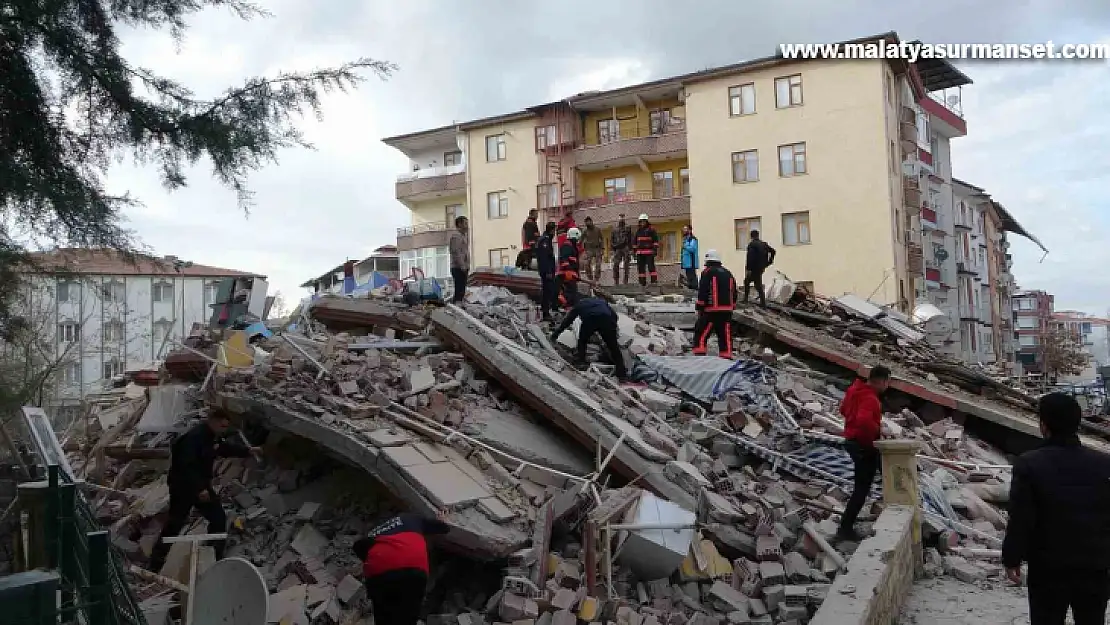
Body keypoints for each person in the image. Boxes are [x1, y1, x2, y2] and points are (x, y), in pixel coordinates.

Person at [1002, 392, 1110, 625]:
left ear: (1044, 424)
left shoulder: (1029, 464)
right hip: (1095, 568)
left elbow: (1021, 519)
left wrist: (1012, 559)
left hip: (1048, 569)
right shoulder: (1103, 464)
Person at [148, 411, 261, 573]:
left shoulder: (211, 436)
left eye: (226, 427)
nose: (223, 429)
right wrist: (199, 488)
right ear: (212, 421)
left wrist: (247, 451)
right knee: (175, 523)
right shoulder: (195, 437)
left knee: (218, 518)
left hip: (200, 485)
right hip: (184, 487)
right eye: (222, 425)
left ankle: (212, 557)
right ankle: (156, 562)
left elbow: (223, 448)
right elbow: (185, 465)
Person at [353, 512, 451, 625]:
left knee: (383, 617)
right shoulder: (411, 518)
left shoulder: (373, 533)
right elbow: (443, 527)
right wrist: (443, 520)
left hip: (378, 572)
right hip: (413, 567)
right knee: (407, 616)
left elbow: (357, 547)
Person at [837, 366, 889, 542]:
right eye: (887, 382)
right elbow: (864, 421)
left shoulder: (855, 389)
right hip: (862, 445)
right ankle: (845, 528)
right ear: (881, 381)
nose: (887, 386)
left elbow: (843, 410)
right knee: (861, 489)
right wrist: (873, 439)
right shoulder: (870, 398)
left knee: (880, 472)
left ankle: (889, 505)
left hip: (852, 441)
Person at [551, 296, 627, 380]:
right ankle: (622, 374)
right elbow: (614, 315)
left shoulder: (579, 305)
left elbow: (567, 321)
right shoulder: (601, 301)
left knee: (582, 341)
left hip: (591, 319)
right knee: (614, 347)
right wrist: (613, 328)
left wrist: (555, 335)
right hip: (607, 319)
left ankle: (581, 362)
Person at [691, 250, 736, 359]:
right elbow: (734, 291)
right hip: (727, 311)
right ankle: (726, 357)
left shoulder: (707, 272)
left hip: (711, 310)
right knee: (725, 335)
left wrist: (700, 307)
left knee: (701, 333)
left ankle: (699, 356)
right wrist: (732, 305)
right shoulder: (728, 273)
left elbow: (703, 291)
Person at [743, 229, 775, 306]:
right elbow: (773, 251)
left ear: (751, 236)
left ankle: (746, 300)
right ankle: (763, 303)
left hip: (753, 268)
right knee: (758, 284)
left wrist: (748, 269)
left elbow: (750, 257)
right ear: (758, 235)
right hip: (761, 268)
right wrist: (769, 262)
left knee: (747, 282)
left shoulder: (752, 245)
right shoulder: (764, 244)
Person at [536, 221, 558, 321]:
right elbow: (545, 258)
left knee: (547, 291)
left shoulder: (546, 239)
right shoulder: (545, 240)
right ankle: (546, 312)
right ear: (552, 230)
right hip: (546, 271)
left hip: (546, 271)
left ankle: (546, 310)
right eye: (554, 230)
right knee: (547, 291)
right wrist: (549, 271)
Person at [557, 227, 582, 307]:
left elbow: (574, 262)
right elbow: (564, 260)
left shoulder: (573, 247)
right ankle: (560, 303)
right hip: (566, 274)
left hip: (571, 274)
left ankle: (568, 307)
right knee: (570, 293)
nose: (578, 240)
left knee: (573, 294)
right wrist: (569, 271)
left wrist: (576, 273)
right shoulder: (567, 246)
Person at [633, 213, 659, 286]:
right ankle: (642, 283)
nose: (642, 223)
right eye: (641, 221)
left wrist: (654, 250)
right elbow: (634, 242)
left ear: (646, 221)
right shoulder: (638, 231)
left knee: (651, 268)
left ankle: (654, 282)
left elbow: (655, 241)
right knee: (641, 269)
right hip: (640, 253)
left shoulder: (651, 230)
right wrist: (634, 252)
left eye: (644, 221)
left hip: (649, 252)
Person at [449, 216, 470, 304]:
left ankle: (459, 307)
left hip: (463, 267)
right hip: (458, 268)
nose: (467, 226)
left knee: (462, 291)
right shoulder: (456, 236)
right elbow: (456, 252)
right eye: (465, 223)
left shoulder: (463, 236)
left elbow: (464, 252)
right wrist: (462, 266)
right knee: (459, 291)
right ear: (460, 224)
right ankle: (455, 308)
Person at [610, 214, 632, 285]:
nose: (621, 219)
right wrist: (613, 248)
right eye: (620, 217)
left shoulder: (628, 227)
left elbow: (630, 238)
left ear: (624, 218)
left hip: (625, 248)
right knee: (615, 265)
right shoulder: (614, 229)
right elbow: (612, 239)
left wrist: (630, 249)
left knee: (626, 265)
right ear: (618, 218)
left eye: (623, 217)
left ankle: (625, 281)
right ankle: (616, 282)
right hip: (618, 249)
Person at [580, 216, 603, 282]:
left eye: (588, 222)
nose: (587, 224)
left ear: (591, 222)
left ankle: (596, 279)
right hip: (589, 249)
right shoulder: (585, 231)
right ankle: (590, 278)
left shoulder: (597, 229)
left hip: (597, 249)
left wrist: (602, 249)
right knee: (587, 264)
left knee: (598, 265)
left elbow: (601, 239)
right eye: (586, 222)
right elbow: (580, 240)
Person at [680, 225, 699, 290]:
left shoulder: (692, 239)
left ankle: (695, 289)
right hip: (686, 263)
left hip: (691, 262)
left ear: (690, 230)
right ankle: (691, 289)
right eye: (683, 229)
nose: (684, 230)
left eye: (686, 229)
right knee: (689, 277)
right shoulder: (685, 240)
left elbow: (693, 249)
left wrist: (685, 247)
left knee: (692, 276)